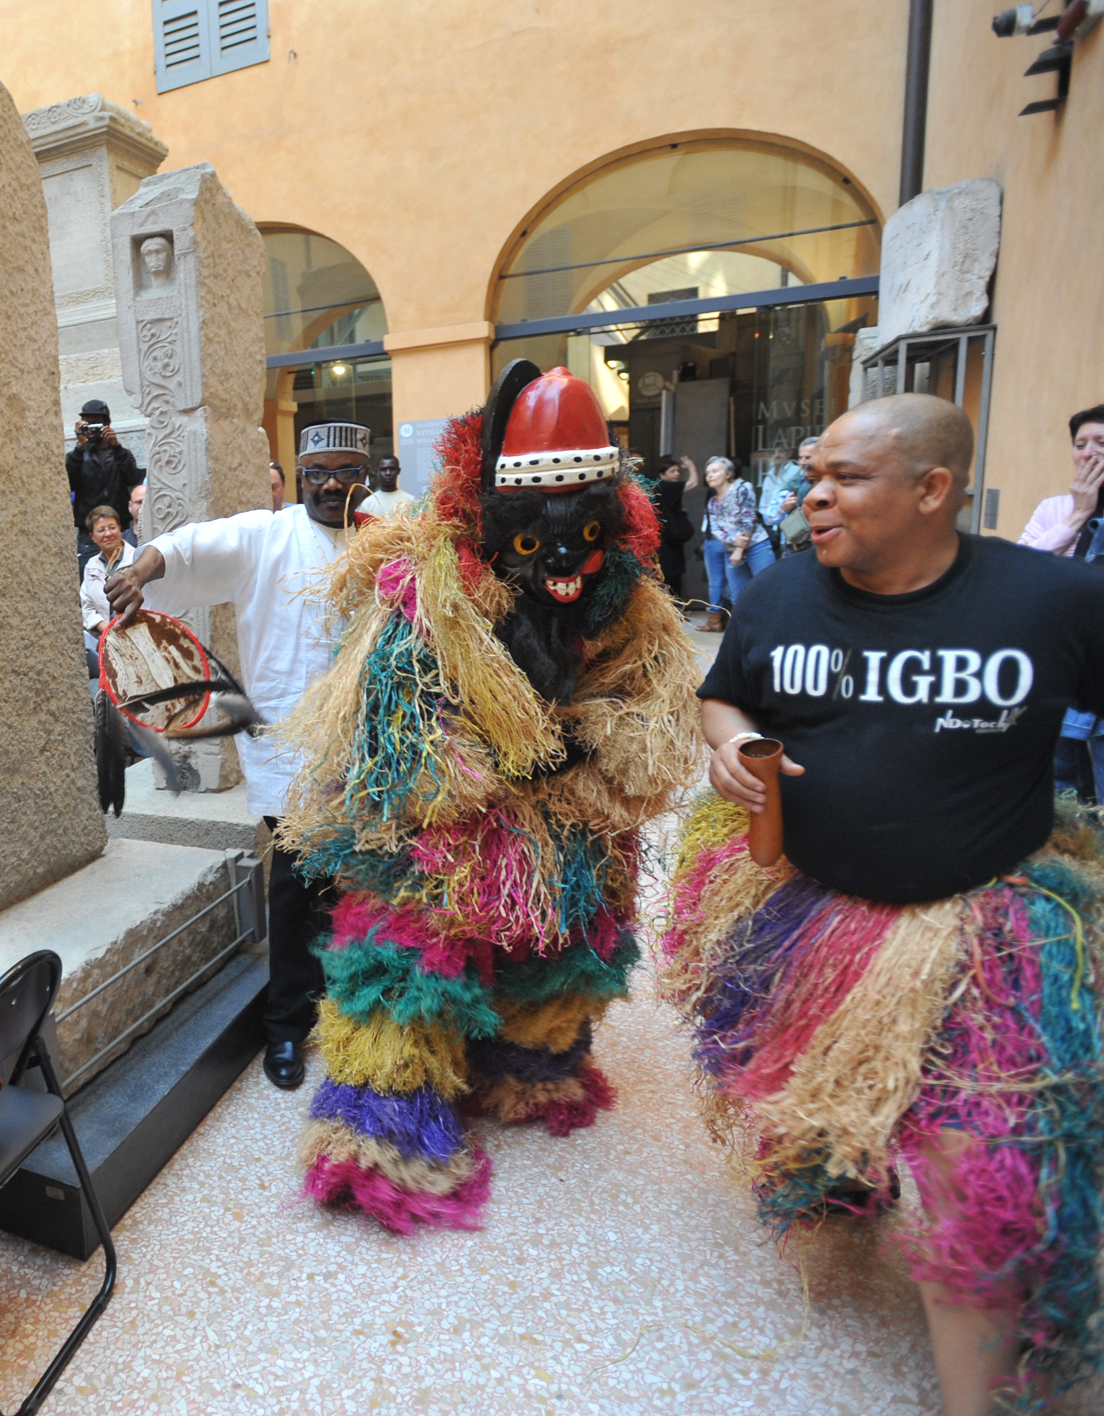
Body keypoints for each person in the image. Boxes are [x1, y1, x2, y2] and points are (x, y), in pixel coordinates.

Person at [664, 393, 1104, 1415]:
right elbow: (726, 692)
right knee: (830, 1141)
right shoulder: (781, 594)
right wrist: (724, 742)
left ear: (932, 489)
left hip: (993, 933)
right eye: (813, 477)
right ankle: (850, 1183)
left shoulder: (1064, 604)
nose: (812, 497)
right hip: (813, 924)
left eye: (845, 478)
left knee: (975, 1184)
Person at [271, 365, 698, 1231]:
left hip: (564, 826)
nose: (568, 567)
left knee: (562, 946)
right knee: (409, 957)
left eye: (586, 537)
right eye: (537, 548)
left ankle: (523, 1066)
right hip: (445, 834)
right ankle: (384, 1130)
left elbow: (648, 716)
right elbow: (394, 734)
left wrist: (590, 755)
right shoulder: (427, 593)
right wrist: (486, 762)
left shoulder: (630, 603)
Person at [105, 421, 375, 1090]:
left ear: (364, 477)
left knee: (372, 891)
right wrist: (143, 566)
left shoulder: (386, 538)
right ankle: (286, 1029)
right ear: (300, 474)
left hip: (374, 751)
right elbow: (194, 549)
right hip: (293, 748)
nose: (331, 484)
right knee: (295, 893)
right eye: (318, 473)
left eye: (345, 473)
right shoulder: (268, 534)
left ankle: (366, 1019)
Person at [1017, 400, 1104, 805]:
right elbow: (1024, 569)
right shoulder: (1054, 508)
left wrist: (1074, 597)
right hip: (1056, 652)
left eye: (1103, 441)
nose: (1088, 453)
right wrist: (1077, 515)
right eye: (1081, 444)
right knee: (1052, 770)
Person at [699, 456, 771, 629]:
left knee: (768, 585)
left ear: (728, 473)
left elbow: (748, 519)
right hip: (731, 549)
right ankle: (747, 632)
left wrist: (739, 548)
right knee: (738, 594)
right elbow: (715, 529)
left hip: (756, 545)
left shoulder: (743, 488)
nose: (710, 475)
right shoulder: (712, 502)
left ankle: (772, 628)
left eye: (715, 471)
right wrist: (733, 541)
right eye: (708, 472)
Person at [67, 399, 145, 558]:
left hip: (118, 528)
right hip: (89, 532)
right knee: (89, 575)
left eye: (97, 425)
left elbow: (134, 479)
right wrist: (80, 446)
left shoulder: (120, 453)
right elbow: (68, 483)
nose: (93, 430)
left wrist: (117, 447)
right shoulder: (78, 455)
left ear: (107, 424)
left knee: (122, 572)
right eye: (88, 426)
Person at [78, 506, 135, 634]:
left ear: (120, 529)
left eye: (112, 527)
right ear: (93, 537)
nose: (108, 534)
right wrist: (104, 627)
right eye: (101, 530)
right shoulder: (91, 566)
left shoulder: (137, 559)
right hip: (106, 636)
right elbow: (86, 607)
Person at [653, 454, 699, 604]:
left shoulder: (659, 489)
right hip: (667, 540)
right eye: (672, 471)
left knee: (668, 575)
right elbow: (692, 483)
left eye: (678, 471)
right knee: (670, 576)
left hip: (665, 538)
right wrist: (691, 467)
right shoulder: (665, 486)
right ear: (662, 474)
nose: (677, 474)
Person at [356, 454, 416, 519]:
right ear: (377, 472)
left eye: (392, 469)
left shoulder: (411, 501)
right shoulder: (368, 504)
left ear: (398, 471)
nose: (388, 473)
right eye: (383, 469)